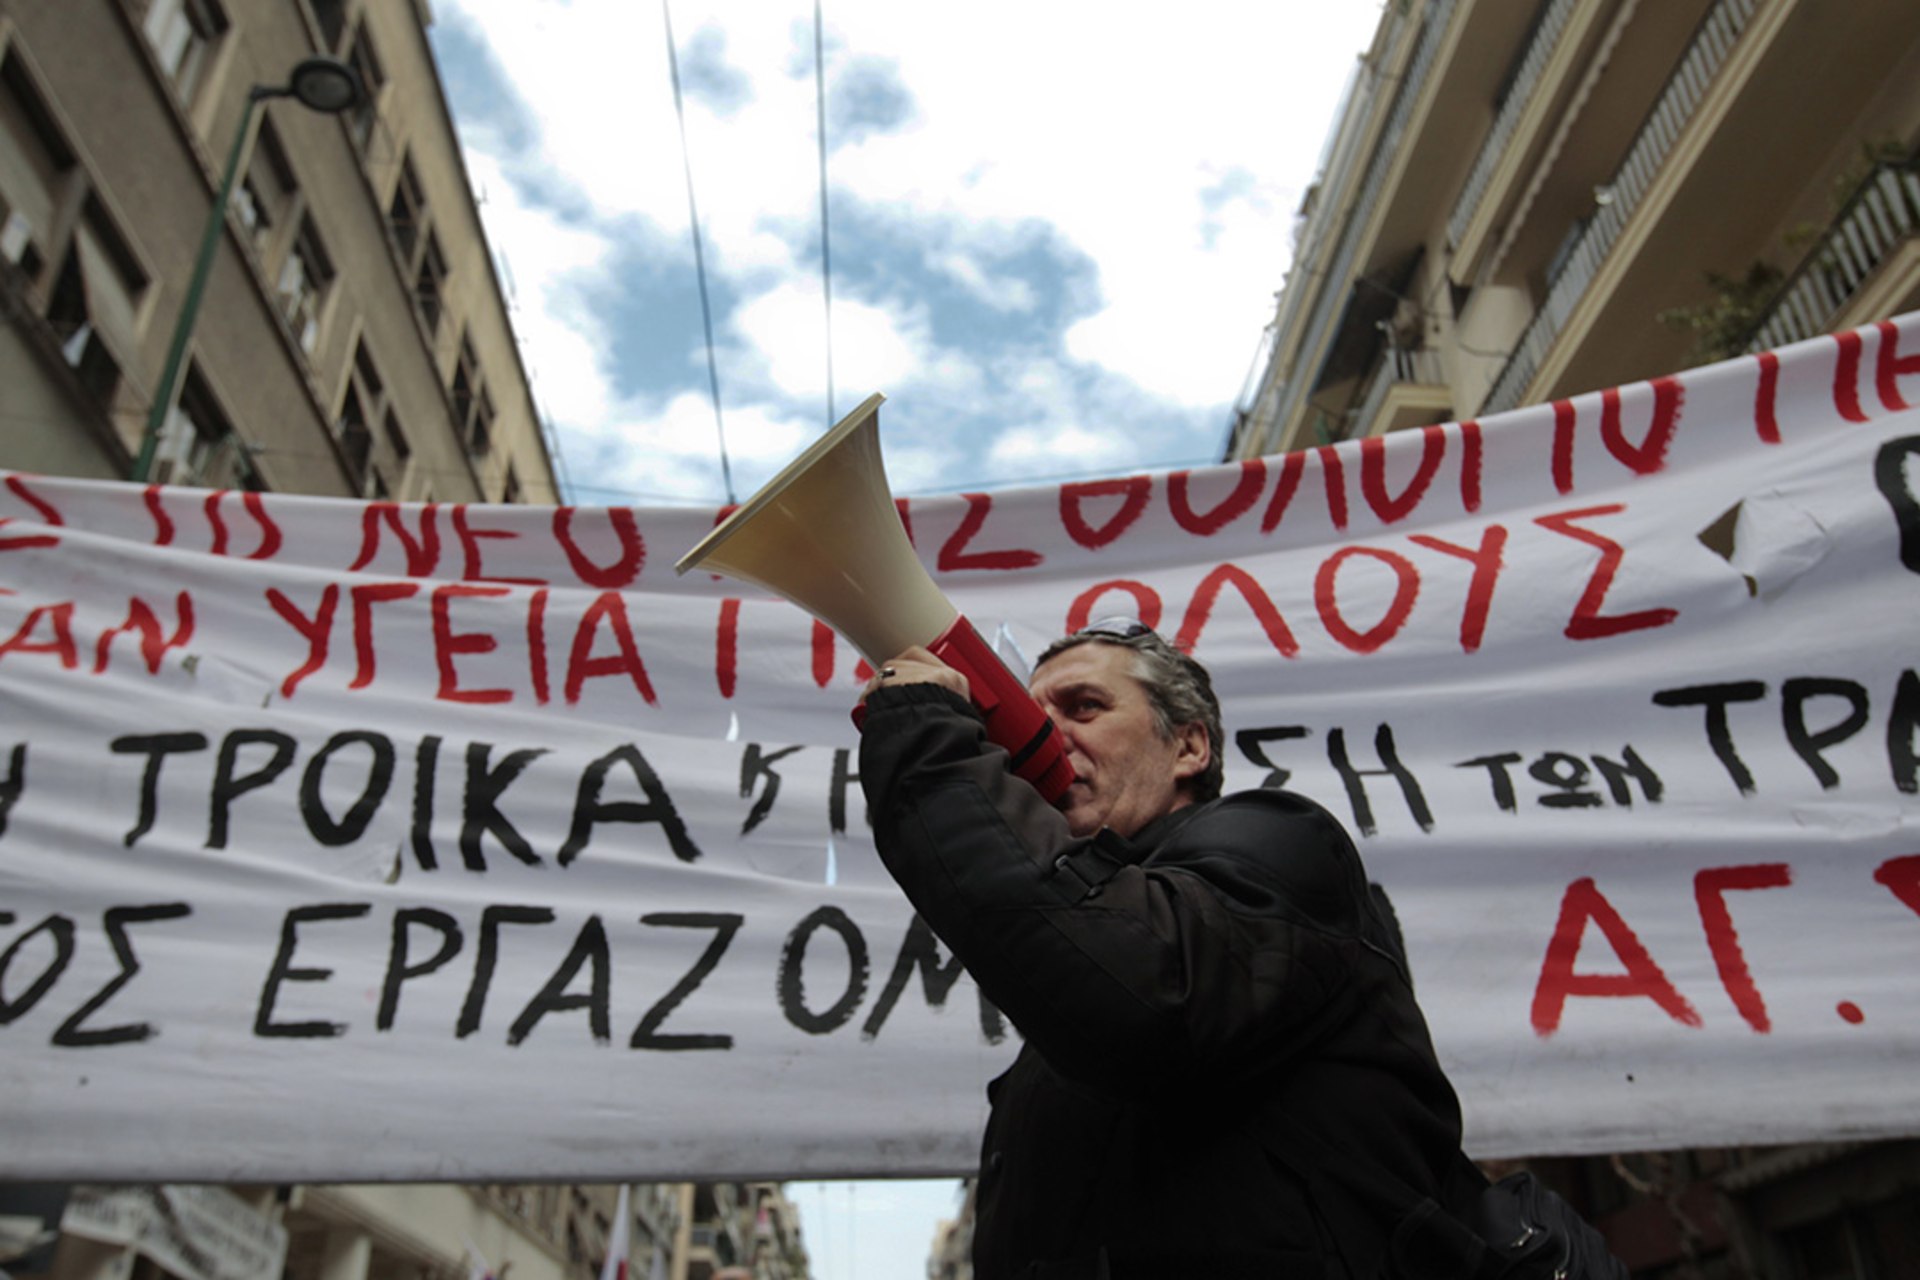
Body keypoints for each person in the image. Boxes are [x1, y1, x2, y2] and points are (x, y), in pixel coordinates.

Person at [857, 619, 1483, 1279]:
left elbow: (1140, 995)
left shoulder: (1278, 844)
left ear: (1188, 746)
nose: (1038, 736)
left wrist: (928, 738)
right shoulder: (1085, 962)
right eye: (1023, 718)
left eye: (1084, 707)